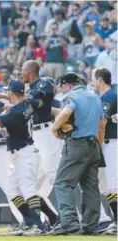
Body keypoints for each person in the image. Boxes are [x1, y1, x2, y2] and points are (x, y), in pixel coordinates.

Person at [0, 80, 47, 236]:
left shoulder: (14, 111)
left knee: (27, 188)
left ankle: (38, 225)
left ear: (12, 93)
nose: (7, 94)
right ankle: (29, 221)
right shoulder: (28, 103)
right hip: (21, 152)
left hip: (26, 152)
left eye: (8, 92)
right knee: (12, 189)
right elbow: (36, 101)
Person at [50, 72, 104, 235]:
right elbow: (102, 125)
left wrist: (54, 128)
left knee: (62, 183)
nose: (63, 90)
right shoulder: (95, 96)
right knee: (90, 187)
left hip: (77, 144)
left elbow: (66, 112)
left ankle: (70, 224)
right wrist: (98, 145)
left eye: (63, 86)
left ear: (67, 84)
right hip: (93, 145)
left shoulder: (72, 95)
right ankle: (90, 226)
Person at [21, 60, 60, 227]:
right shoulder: (28, 90)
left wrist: (18, 98)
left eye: (22, 70)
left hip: (47, 132)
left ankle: (69, 217)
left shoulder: (45, 82)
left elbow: (42, 95)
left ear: (29, 70)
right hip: (35, 135)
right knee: (32, 182)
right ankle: (53, 219)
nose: (21, 73)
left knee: (55, 175)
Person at [91, 68, 117, 223]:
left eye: (93, 79)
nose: (92, 82)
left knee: (113, 183)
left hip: (110, 143)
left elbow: (103, 122)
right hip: (104, 143)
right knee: (107, 186)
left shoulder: (110, 96)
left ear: (100, 79)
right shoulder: (100, 97)